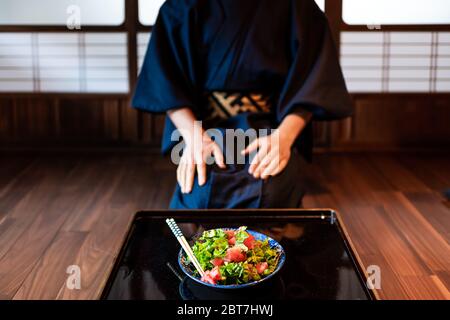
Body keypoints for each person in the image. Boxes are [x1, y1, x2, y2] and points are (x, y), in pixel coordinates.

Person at [132, 0, 353, 209]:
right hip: (202, 127)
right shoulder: (183, 4)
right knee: (199, 191)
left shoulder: (297, 4)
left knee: (272, 189)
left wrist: (283, 138)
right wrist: (194, 138)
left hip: (271, 127)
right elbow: (166, 79)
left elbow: (314, 80)